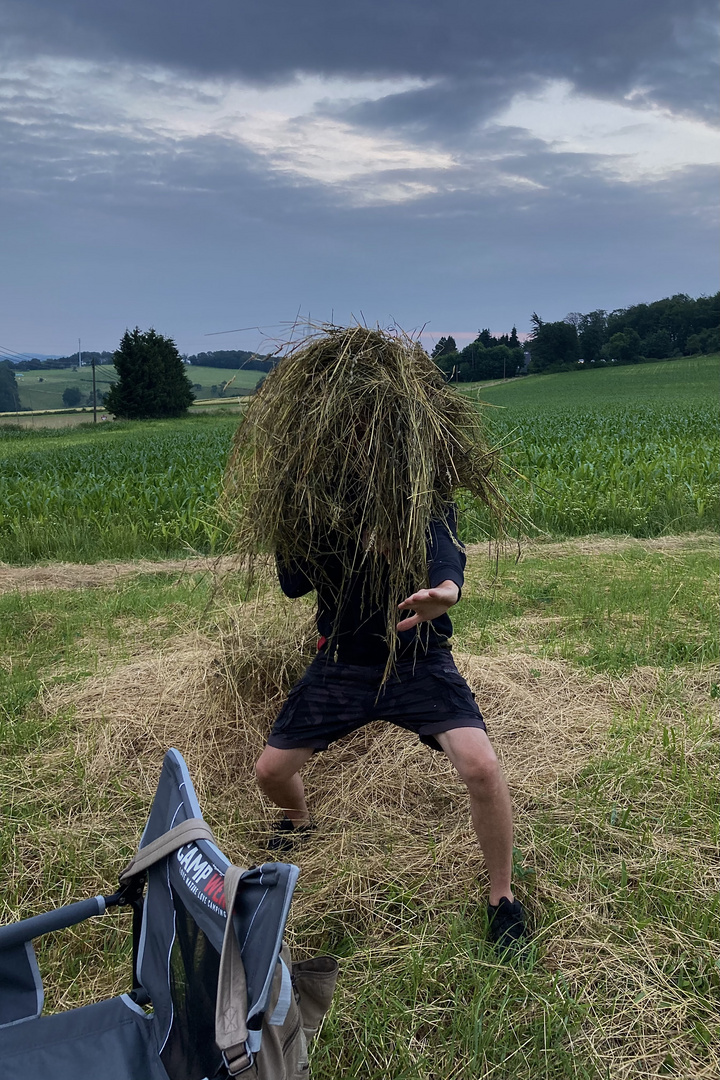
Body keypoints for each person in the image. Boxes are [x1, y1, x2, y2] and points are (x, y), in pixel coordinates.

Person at [225, 325, 528, 950]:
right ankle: (300, 822)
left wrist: (443, 595)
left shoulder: (421, 496)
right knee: (270, 773)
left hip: (417, 659)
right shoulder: (314, 503)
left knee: (480, 765)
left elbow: (449, 564)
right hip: (343, 662)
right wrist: (316, 528)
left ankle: (502, 897)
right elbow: (290, 584)